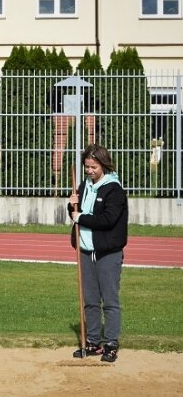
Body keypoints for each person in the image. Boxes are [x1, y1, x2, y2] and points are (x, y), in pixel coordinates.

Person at [68, 144, 128, 363]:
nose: (90, 171)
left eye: (93, 167)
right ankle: (93, 342)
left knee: (109, 300)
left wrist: (80, 217)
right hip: (85, 251)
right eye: (87, 167)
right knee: (90, 300)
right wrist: (71, 206)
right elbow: (76, 214)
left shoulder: (114, 190)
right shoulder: (85, 186)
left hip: (107, 253)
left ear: (103, 164)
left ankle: (111, 343)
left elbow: (108, 220)